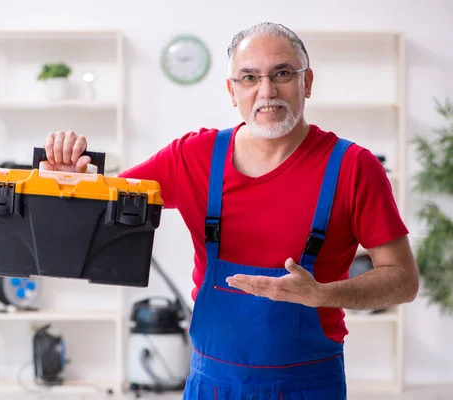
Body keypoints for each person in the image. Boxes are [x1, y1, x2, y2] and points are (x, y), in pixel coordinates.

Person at [41, 22, 419, 400]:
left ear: (307, 82)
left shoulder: (354, 167)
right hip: (212, 384)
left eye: (283, 73)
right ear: (231, 90)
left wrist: (321, 294)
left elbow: (403, 279)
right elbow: (103, 211)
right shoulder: (192, 158)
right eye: (249, 77)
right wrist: (68, 180)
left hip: (310, 384)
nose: (266, 91)